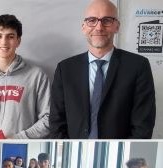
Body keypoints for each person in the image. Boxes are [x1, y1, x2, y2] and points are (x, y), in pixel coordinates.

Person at [50, 0, 155, 139]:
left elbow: (143, 125)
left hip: (119, 156)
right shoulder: (65, 69)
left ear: (117, 26)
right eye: (92, 20)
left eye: (107, 20)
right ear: (83, 27)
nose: (99, 27)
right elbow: (56, 123)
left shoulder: (138, 66)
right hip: (74, 154)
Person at [0, 14, 51, 139]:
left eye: (10, 36)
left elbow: (48, 118)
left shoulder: (37, 76)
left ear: (18, 41)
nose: (4, 42)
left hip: (22, 150)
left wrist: (19, 138)